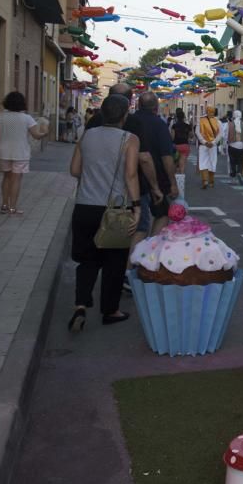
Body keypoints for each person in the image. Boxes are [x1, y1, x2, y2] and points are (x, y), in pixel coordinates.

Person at [67, 94, 140, 331]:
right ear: (125, 115)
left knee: (87, 261)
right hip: (115, 210)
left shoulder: (87, 135)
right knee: (114, 262)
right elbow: (130, 175)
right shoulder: (130, 139)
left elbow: (75, 170)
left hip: (84, 206)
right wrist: (136, 206)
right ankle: (110, 311)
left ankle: (80, 305)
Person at [0, 91, 47, 215]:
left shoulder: (0, 117)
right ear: (22, 103)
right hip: (20, 153)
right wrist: (45, 133)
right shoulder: (27, 118)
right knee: (16, 180)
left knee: (6, 178)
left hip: (3, 152)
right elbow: (36, 135)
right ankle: (12, 208)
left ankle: (4, 205)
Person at [132, 92, 179, 239]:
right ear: (156, 107)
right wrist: (173, 183)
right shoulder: (159, 124)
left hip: (131, 176)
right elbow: (166, 156)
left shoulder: (129, 121)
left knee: (137, 218)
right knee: (162, 214)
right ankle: (149, 249)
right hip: (155, 178)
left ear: (138, 105)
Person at [196, 106, 223, 189]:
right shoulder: (218, 122)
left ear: (206, 111)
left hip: (203, 145)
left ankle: (205, 181)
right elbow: (220, 134)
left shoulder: (200, 120)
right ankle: (211, 182)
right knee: (212, 162)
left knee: (203, 162)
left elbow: (197, 132)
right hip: (213, 146)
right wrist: (213, 143)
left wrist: (204, 142)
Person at [225, 110, 243, 185]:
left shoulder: (229, 124)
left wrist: (223, 146)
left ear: (234, 116)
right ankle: (239, 172)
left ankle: (233, 178)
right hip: (241, 146)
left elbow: (226, 136)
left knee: (232, 162)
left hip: (232, 146)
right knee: (240, 162)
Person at [170, 108, 191, 175]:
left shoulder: (174, 126)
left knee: (175, 164)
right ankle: (181, 182)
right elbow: (191, 136)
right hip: (185, 146)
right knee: (182, 164)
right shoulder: (187, 126)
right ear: (184, 117)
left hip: (176, 146)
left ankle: (174, 181)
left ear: (177, 117)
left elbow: (172, 137)